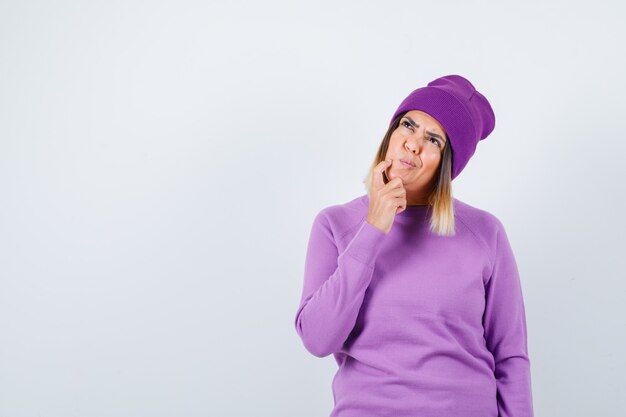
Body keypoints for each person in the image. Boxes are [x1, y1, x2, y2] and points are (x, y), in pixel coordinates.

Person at [293, 75, 535, 417]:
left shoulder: (485, 233)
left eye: (433, 139)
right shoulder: (335, 225)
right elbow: (317, 339)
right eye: (408, 125)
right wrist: (373, 227)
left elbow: (510, 356)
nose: (413, 144)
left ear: (448, 163)